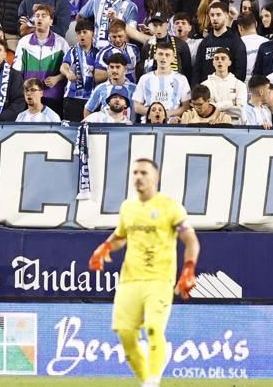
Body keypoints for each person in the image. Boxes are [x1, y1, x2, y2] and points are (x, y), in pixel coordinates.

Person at [89, 158, 203, 387]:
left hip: (160, 278)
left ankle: (152, 380)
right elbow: (121, 236)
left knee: (153, 327)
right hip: (130, 279)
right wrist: (105, 248)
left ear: (156, 177)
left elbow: (191, 241)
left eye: (144, 173)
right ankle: (147, 382)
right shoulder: (128, 207)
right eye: (136, 173)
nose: (139, 177)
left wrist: (188, 268)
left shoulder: (170, 206)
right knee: (125, 334)